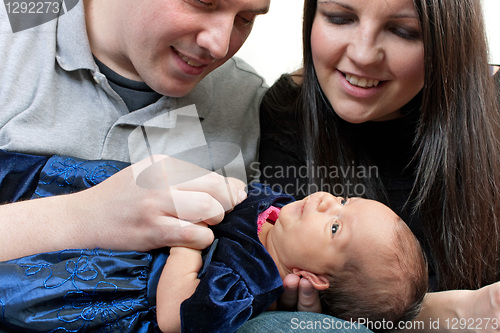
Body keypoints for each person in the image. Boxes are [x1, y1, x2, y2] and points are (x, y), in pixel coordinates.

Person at [255, 0, 500, 332]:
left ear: (450, 40)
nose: (363, 54)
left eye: (402, 30)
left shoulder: (491, 111)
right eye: (339, 18)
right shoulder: (287, 114)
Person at [0, 0, 270, 261]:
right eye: (202, 1)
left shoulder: (250, 103)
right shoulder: (10, 35)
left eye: (245, 19)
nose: (219, 46)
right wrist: (84, 217)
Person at [0, 176, 427, 332]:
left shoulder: (247, 284)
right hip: (119, 205)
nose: (324, 203)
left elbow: (175, 314)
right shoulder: (280, 211)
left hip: (112, 278)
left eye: (335, 228)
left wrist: (192, 236)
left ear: (313, 279)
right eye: (344, 201)